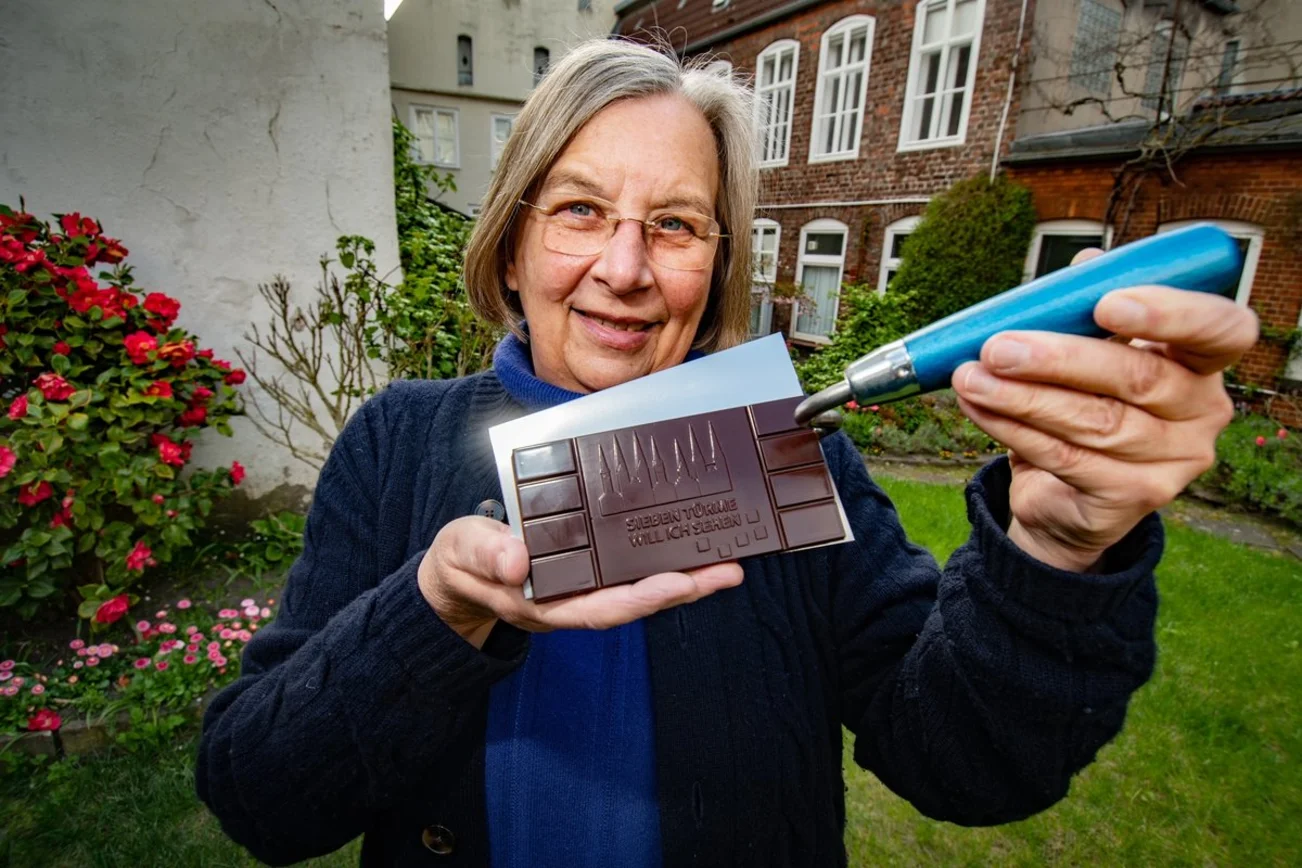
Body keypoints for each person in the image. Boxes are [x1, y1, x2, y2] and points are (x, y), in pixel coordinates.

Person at [197, 39, 1257, 867]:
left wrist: (1059, 555)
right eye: (579, 211)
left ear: (718, 262)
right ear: (512, 246)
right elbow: (261, 796)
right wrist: (436, 607)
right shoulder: (396, 441)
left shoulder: (783, 450)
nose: (625, 267)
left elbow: (968, 763)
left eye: (675, 225)